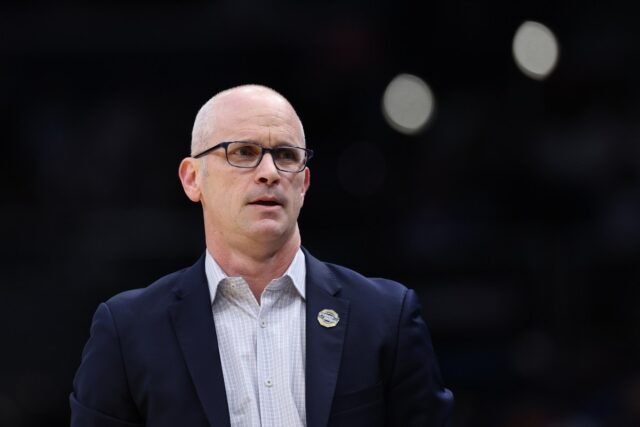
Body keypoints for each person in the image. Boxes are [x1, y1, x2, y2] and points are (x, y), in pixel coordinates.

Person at [70, 84, 453, 427]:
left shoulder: (386, 317)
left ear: (304, 184)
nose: (269, 172)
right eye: (243, 152)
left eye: (286, 155)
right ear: (192, 179)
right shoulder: (128, 332)